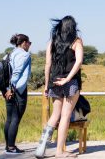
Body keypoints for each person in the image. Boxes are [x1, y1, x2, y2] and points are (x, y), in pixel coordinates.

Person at [35, 16, 84, 158]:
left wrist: (46, 85)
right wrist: (68, 79)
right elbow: (79, 61)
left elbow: (47, 65)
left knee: (55, 115)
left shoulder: (52, 42)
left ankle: (41, 147)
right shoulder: (76, 42)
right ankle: (59, 152)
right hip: (71, 83)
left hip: (54, 82)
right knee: (65, 116)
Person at [3, 34, 32, 154]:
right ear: (24, 43)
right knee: (15, 118)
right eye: (29, 42)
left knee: (9, 118)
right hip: (17, 90)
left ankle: (8, 146)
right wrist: (11, 88)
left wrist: (7, 89)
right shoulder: (25, 54)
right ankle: (11, 147)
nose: (30, 45)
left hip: (7, 90)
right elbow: (17, 72)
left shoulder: (9, 54)